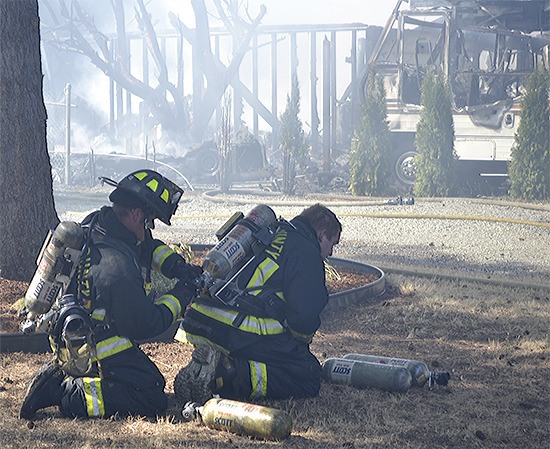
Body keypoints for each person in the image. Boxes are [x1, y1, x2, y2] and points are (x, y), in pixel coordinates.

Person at [19, 169, 202, 420]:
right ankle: (65, 392)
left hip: (68, 335)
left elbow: (147, 247)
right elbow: (146, 323)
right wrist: (183, 293)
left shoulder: (100, 223)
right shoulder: (116, 268)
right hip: (97, 347)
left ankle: (67, 372)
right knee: (150, 393)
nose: (150, 227)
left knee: (147, 381)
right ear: (137, 214)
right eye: (150, 221)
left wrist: (177, 267)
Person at [174, 203, 342, 403]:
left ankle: (206, 365)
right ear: (322, 234)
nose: (330, 253)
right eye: (332, 244)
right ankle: (227, 375)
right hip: (239, 330)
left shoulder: (272, 231)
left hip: (201, 320)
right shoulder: (307, 252)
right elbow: (303, 317)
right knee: (308, 374)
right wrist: (298, 349)